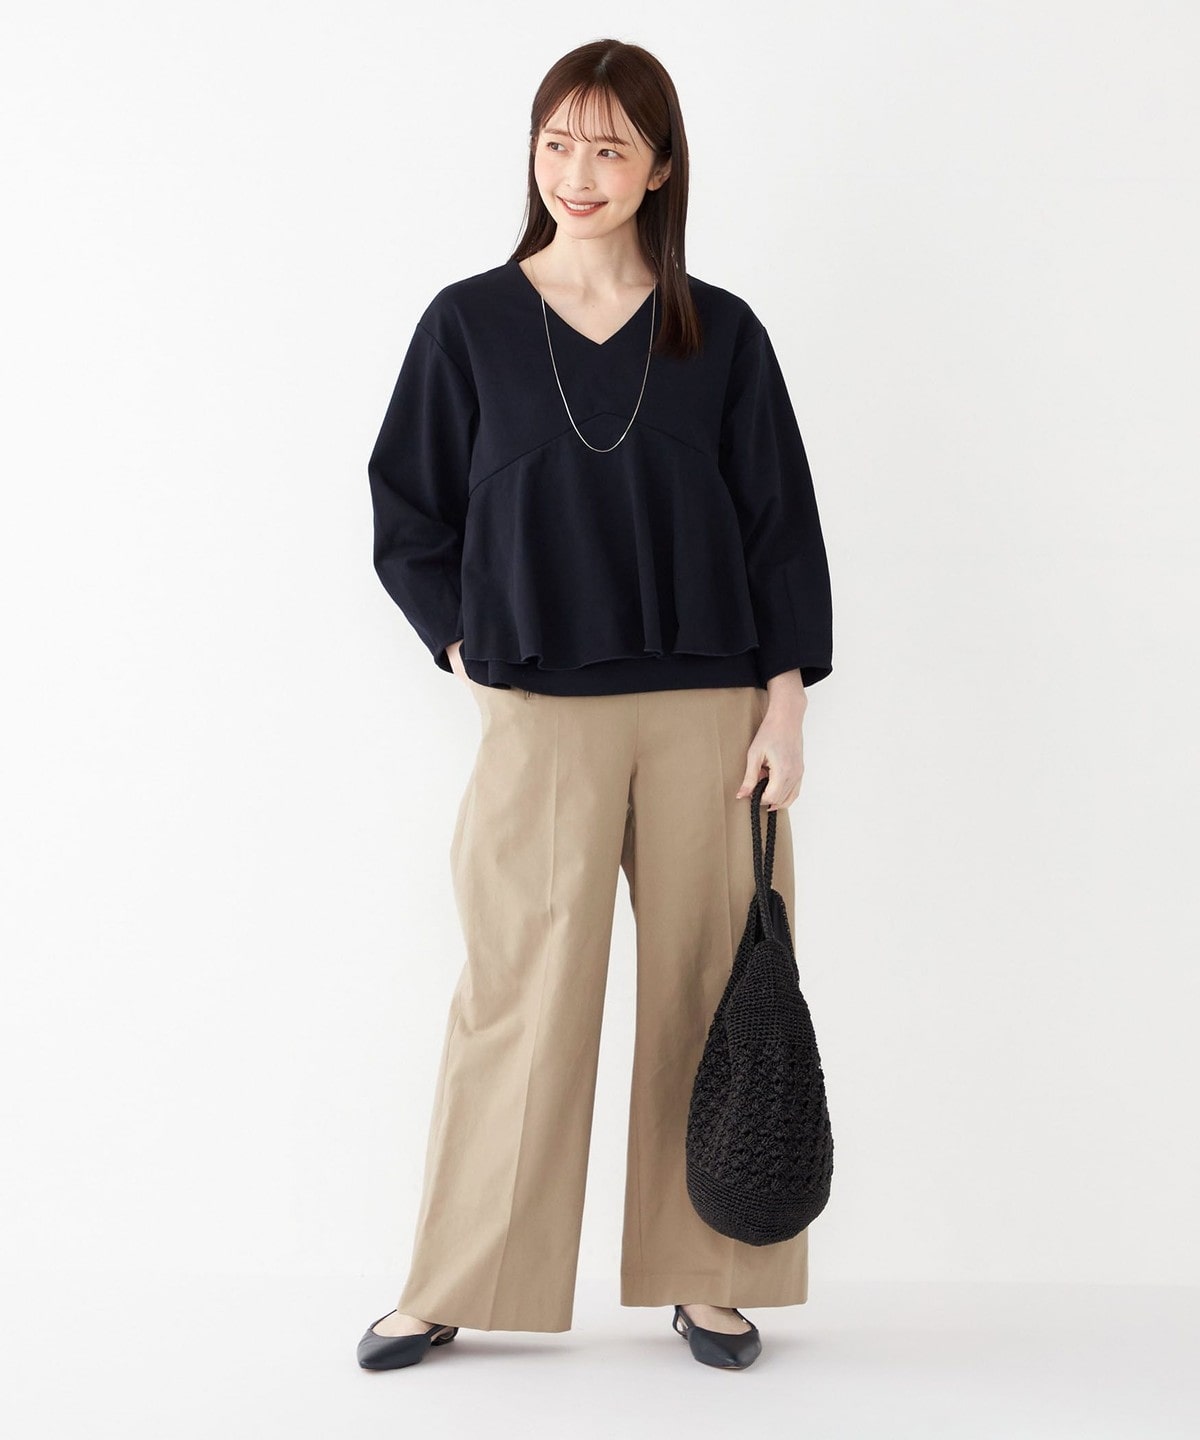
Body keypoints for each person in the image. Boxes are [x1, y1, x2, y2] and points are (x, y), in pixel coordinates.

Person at [356, 37, 833, 1373]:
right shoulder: (468, 324)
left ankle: (711, 1275)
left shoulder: (721, 333)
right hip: (540, 713)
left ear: (659, 168)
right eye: (558, 141)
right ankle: (461, 1278)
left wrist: (783, 713)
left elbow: (780, 530)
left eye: (611, 147)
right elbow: (407, 510)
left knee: (710, 990)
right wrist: (465, 646)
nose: (579, 170)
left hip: (711, 714)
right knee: (519, 996)